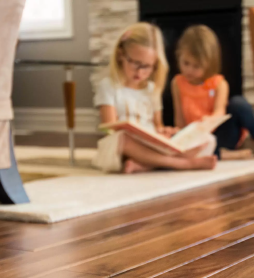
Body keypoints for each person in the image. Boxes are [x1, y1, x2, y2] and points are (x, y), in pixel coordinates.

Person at [92, 23, 217, 174]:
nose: (140, 71)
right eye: (135, 63)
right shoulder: (108, 86)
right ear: (120, 55)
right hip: (123, 148)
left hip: (150, 146)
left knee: (208, 139)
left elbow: (157, 125)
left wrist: (165, 132)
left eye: (147, 66)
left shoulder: (151, 90)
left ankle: (145, 165)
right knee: (122, 138)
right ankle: (181, 163)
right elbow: (109, 128)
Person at [172, 25, 254, 160]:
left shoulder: (219, 84)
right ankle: (224, 155)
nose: (189, 70)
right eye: (185, 63)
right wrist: (181, 138)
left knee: (239, 103)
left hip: (221, 133)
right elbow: (179, 117)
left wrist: (209, 120)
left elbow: (219, 111)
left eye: (196, 66)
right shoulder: (177, 83)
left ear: (209, 64)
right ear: (178, 56)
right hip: (198, 138)